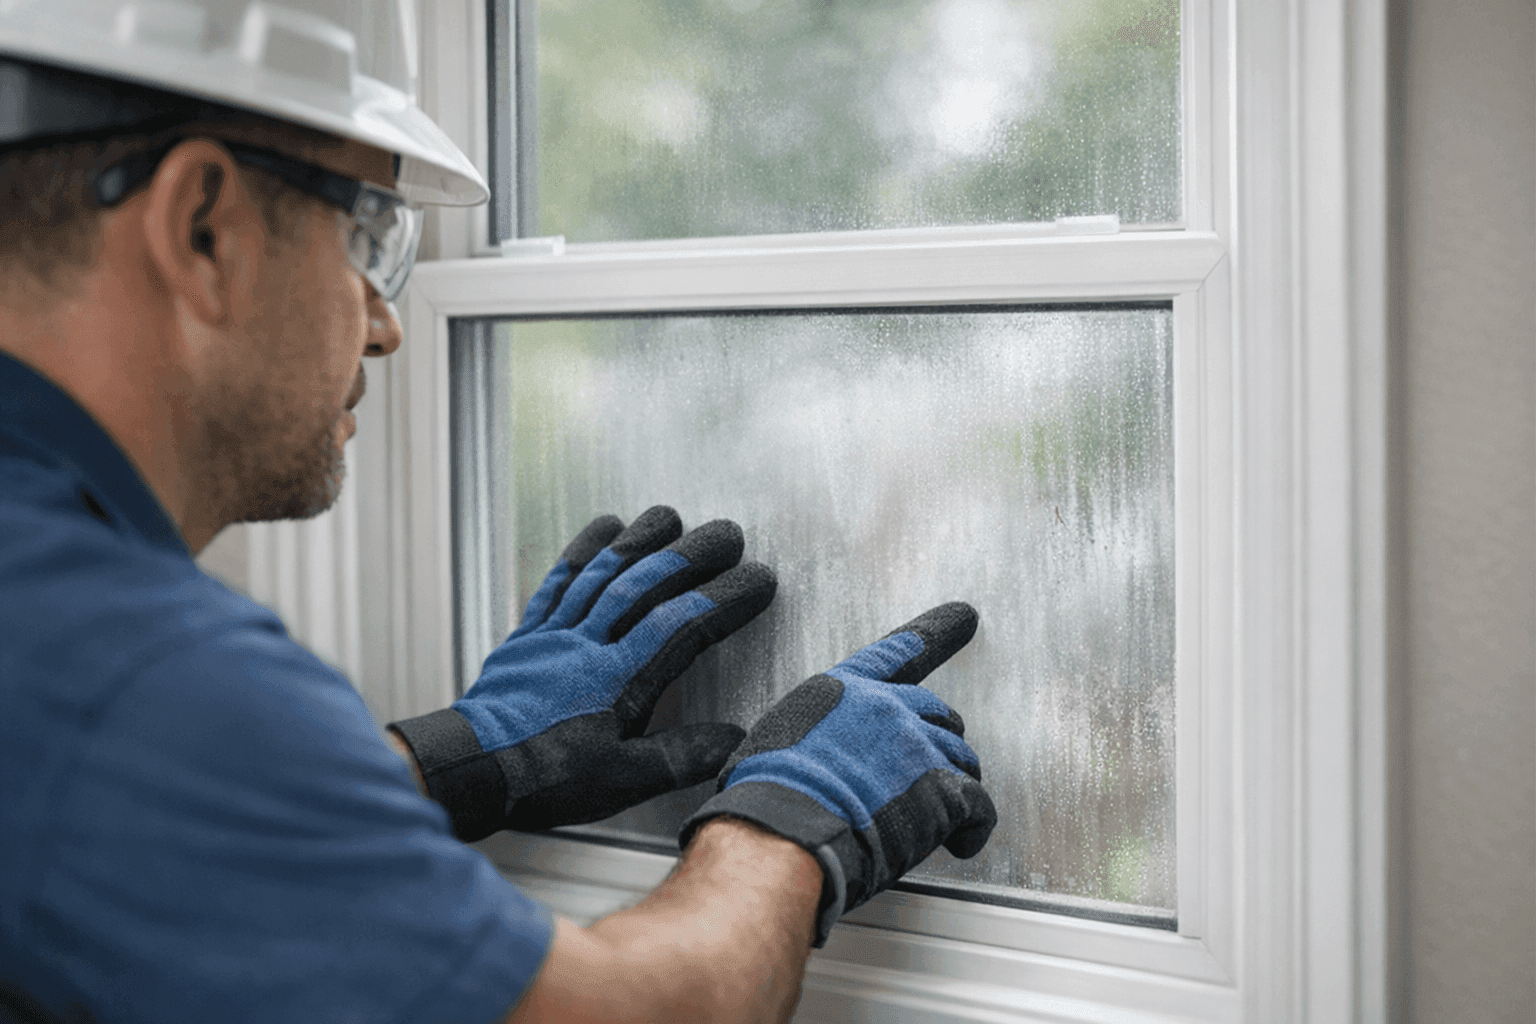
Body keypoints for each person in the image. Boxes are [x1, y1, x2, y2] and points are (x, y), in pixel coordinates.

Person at [0, 2, 998, 1021]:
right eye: (367, 234)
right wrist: (792, 824)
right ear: (204, 227)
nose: (386, 326)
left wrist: (460, 756)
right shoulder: (114, 669)